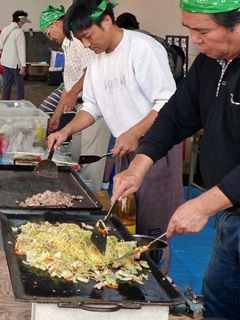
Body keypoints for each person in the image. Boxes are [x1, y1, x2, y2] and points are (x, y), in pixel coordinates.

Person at [111, 1, 240, 318]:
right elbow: (174, 117)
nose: (195, 39)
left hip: (223, 202)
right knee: (218, 304)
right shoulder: (211, 62)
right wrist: (138, 168)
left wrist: (202, 205)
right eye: (190, 29)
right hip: (230, 213)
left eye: (203, 30)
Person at [48, 0, 184, 236]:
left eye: (88, 36)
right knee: (126, 221)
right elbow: (91, 106)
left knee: (152, 229)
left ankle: (155, 269)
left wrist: (134, 133)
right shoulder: (97, 59)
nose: (87, 44)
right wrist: (65, 131)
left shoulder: (142, 49)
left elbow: (167, 102)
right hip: (125, 149)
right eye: (81, 40)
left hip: (155, 150)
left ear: (107, 21)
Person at [39, 5, 111, 190]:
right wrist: (57, 115)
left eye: (48, 33)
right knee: (77, 156)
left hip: (95, 107)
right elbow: (68, 84)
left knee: (90, 160)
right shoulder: (67, 46)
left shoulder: (79, 41)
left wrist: (72, 93)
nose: (50, 38)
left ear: (56, 24)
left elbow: (91, 70)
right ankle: (78, 194)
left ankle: (92, 200)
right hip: (82, 108)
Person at [0, 10, 31, 100]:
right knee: (19, 85)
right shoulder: (19, 32)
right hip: (15, 64)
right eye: (24, 21)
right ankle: (21, 103)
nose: (24, 23)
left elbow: (1, 46)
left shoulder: (5, 29)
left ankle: (5, 104)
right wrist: (23, 65)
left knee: (6, 84)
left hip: (5, 62)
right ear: (21, 20)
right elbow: (21, 50)